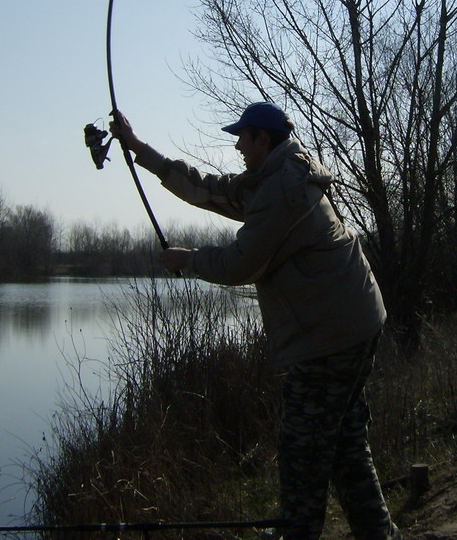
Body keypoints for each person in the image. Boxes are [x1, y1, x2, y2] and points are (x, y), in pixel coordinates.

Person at [110, 102, 398, 540]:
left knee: (302, 449)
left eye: (242, 137)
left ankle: (297, 533)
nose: (237, 145)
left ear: (262, 138)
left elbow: (239, 265)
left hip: (330, 337)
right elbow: (205, 189)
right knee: (344, 446)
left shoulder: (282, 190)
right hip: (352, 323)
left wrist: (188, 260)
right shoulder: (273, 177)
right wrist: (139, 150)